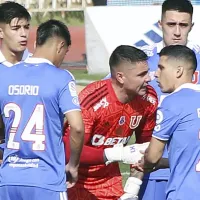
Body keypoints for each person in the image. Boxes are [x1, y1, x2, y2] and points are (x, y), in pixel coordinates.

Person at [103, 1, 200, 199]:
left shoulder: (195, 59)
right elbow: (107, 91)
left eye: (183, 25)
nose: (177, 32)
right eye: (171, 24)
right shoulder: (142, 59)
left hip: (191, 169)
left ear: (192, 26)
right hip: (150, 171)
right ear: (160, 24)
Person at [0, 19, 85, 200]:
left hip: (9, 179)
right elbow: (77, 127)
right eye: (65, 52)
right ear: (61, 46)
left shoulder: (4, 75)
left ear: (35, 42)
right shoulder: (61, 77)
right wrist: (73, 165)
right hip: (46, 180)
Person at [63, 45, 158, 200]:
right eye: (142, 74)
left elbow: (143, 149)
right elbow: (69, 150)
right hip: (74, 180)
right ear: (120, 77)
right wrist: (118, 153)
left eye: (147, 72)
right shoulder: (94, 100)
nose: (149, 78)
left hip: (109, 182)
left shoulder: (149, 99)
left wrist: (133, 188)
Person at [143, 44, 200, 200]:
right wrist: (164, 162)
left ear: (178, 71)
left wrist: (142, 160)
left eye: (161, 68)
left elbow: (153, 157)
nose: (155, 74)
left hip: (183, 193)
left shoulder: (171, 103)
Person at [0, 1, 32, 162]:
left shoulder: (39, 66)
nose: (23, 33)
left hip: (35, 159)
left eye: (26, 27)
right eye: (16, 28)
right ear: (1, 32)